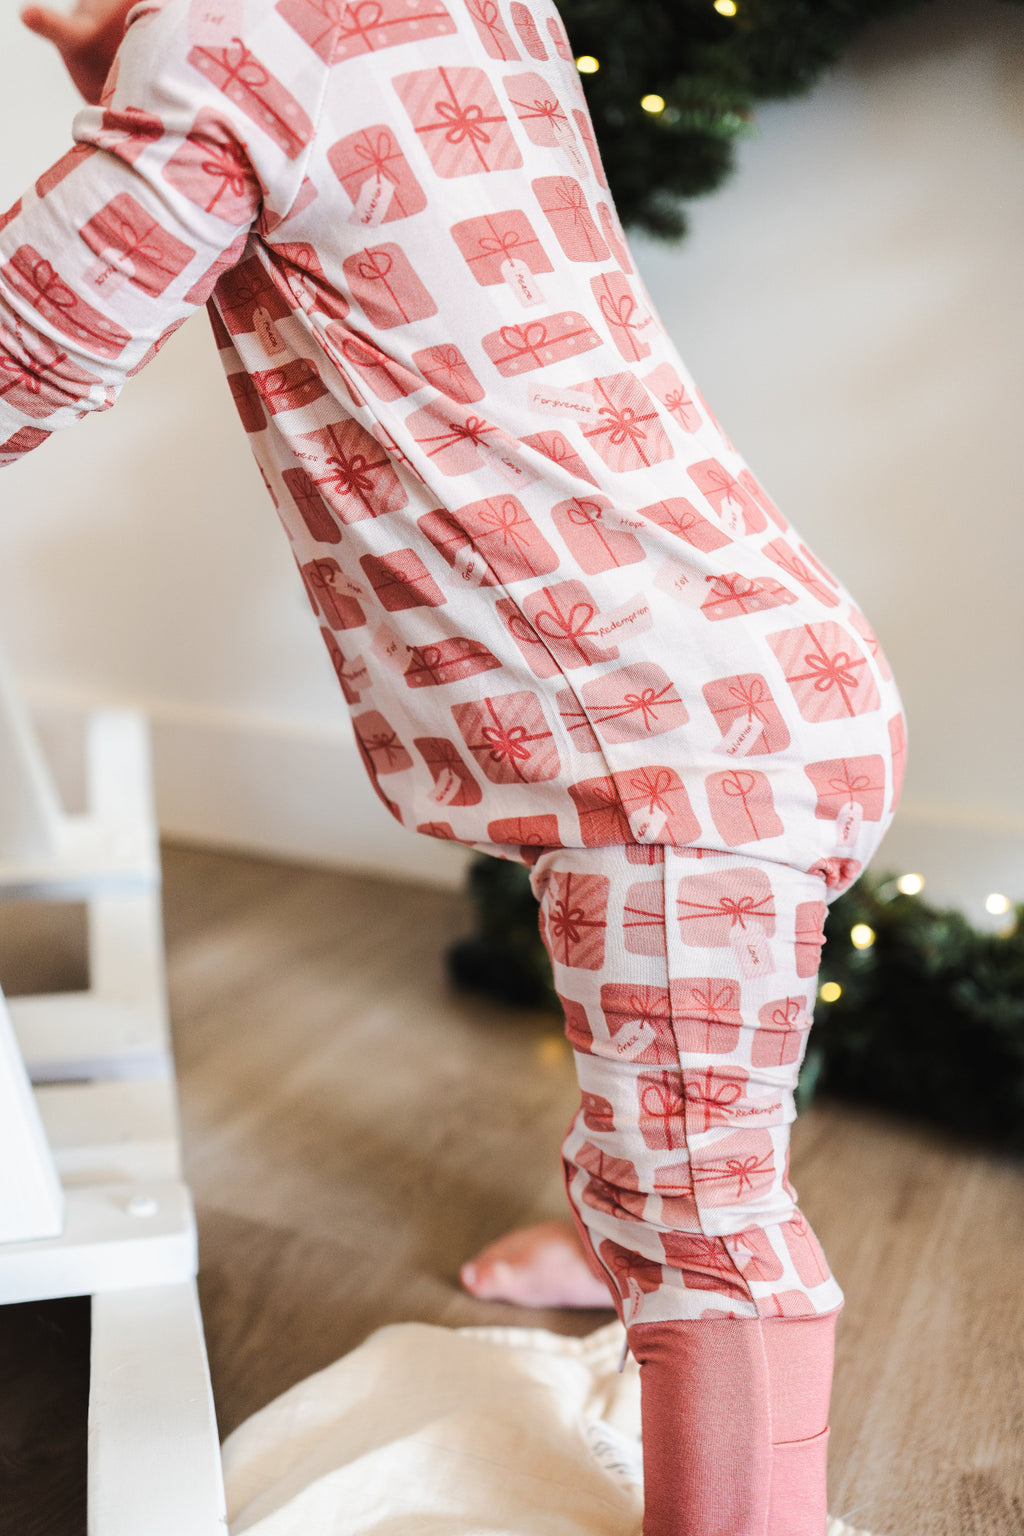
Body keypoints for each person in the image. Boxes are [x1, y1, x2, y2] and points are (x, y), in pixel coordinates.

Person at [0, 1, 905, 1529]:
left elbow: (31, 342)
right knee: (672, 1055)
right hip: (737, 660)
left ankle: (736, 1468)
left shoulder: (219, 58)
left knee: (701, 1196)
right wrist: (135, 61)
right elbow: (343, 171)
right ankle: (622, 1239)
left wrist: (146, 61)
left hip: (671, 739)